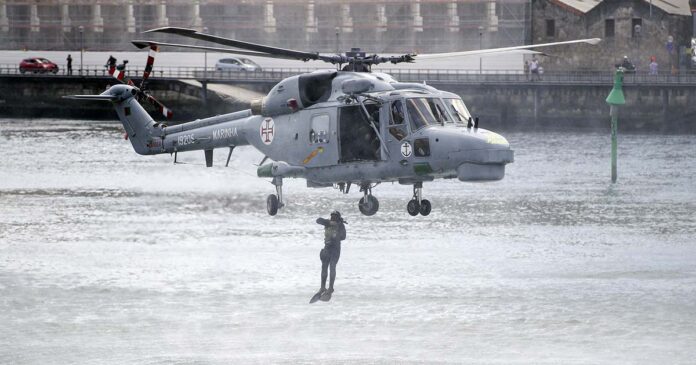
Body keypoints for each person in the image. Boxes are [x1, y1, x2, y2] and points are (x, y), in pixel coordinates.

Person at [314, 211, 347, 300]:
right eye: (332, 216)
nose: (333, 218)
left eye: (335, 217)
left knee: (332, 267)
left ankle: (331, 288)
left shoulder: (341, 225)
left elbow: (343, 237)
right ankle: (322, 287)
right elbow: (318, 220)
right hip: (327, 248)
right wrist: (329, 222)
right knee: (324, 267)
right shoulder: (327, 223)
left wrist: (337, 231)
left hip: (335, 249)